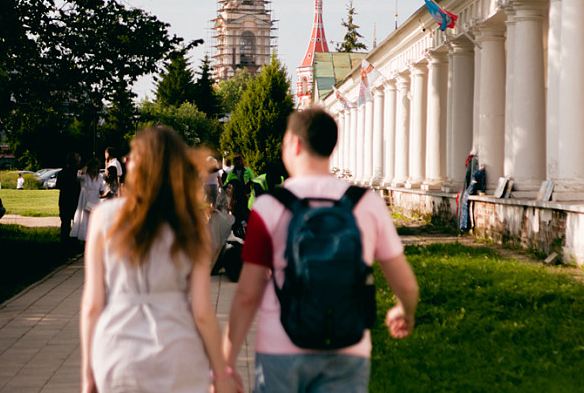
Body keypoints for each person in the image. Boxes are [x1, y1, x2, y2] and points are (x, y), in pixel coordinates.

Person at [224, 107, 420, 392]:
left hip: (281, 347)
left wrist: (225, 366)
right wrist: (405, 310)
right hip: (347, 345)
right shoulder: (366, 203)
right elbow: (405, 283)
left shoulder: (269, 206)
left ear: (294, 144)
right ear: (332, 145)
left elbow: (246, 295)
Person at [80, 126, 240, 393]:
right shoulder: (191, 223)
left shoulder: (103, 218)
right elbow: (202, 311)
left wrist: (88, 374)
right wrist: (221, 371)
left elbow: (93, 304)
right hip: (177, 350)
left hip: (118, 352)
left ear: (133, 166)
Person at [70, 159, 103, 243]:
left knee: (94, 220)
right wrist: (86, 167)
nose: (95, 170)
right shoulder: (84, 176)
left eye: (97, 168)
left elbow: (102, 189)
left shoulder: (99, 177)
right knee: (86, 219)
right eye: (94, 168)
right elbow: (79, 174)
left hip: (95, 200)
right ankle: (86, 241)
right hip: (85, 200)